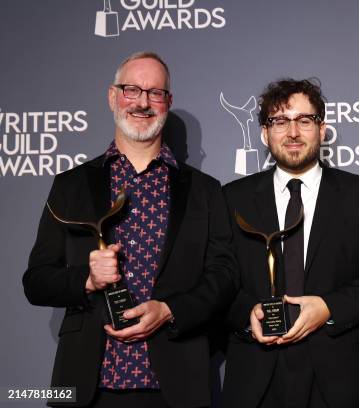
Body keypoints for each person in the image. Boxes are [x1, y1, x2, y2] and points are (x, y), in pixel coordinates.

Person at [23, 51, 236, 407]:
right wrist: (86, 279)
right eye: (131, 90)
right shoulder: (70, 185)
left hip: (176, 384)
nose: (142, 102)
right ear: (112, 96)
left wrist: (170, 310)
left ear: (167, 102)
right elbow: (36, 280)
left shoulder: (205, 190)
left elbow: (225, 275)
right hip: (86, 386)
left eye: (155, 92)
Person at [221, 78, 359, 408]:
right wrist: (247, 312)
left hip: (337, 377)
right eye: (280, 121)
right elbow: (217, 279)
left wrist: (328, 307)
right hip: (256, 376)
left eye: (304, 120)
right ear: (264, 133)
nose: (293, 132)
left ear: (322, 129)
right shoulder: (232, 199)